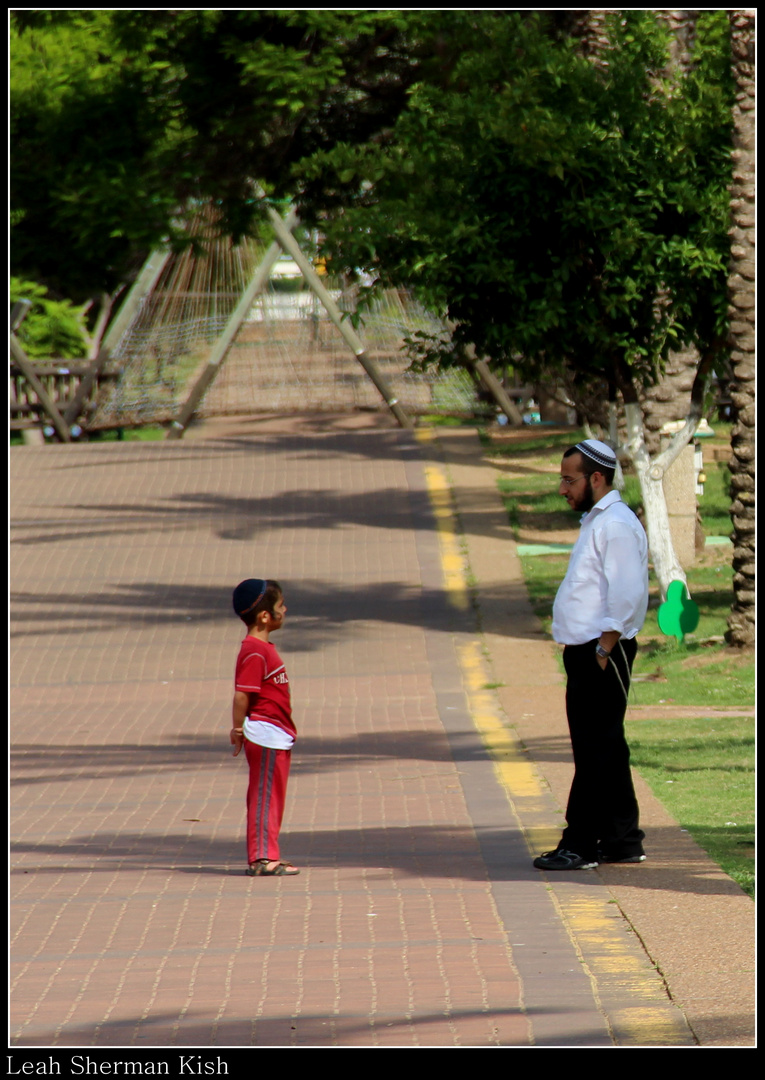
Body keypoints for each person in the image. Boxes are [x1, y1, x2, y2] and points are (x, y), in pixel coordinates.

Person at [533, 440, 649, 872]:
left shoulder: (614, 524)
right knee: (607, 747)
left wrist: (604, 647)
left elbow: (627, 592)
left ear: (595, 478)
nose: (563, 488)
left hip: (603, 652)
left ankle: (579, 844)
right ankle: (622, 840)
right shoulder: (599, 521)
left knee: (593, 750)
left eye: (569, 479)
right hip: (592, 650)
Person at [230, 578, 300, 877]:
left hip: (277, 734)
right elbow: (242, 694)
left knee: (273, 797)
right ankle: (261, 858)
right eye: (280, 605)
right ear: (265, 616)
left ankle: (268, 853)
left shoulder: (262, 649)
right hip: (266, 733)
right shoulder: (255, 651)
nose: (285, 609)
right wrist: (237, 729)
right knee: (264, 796)